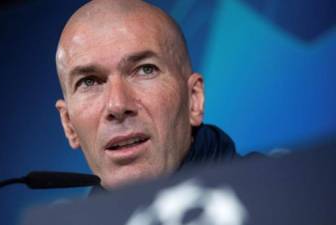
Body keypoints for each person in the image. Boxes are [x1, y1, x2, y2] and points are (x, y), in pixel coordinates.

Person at [55, 0, 238, 191]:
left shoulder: (270, 197)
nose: (117, 105)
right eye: (89, 82)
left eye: (145, 70)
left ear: (194, 99)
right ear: (69, 125)